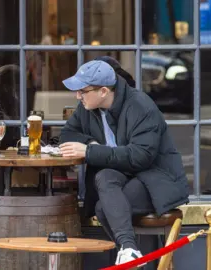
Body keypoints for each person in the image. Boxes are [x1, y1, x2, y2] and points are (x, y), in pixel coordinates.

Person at [59, 60, 189, 265]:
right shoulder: (87, 106)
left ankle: (130, 252)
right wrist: (90, 142)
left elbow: (140, 157)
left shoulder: (141, 106)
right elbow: (67, 134)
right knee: (104, 177)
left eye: (82, 91)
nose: (78, 96)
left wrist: (91, 151)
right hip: (122, 175)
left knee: (103, 209)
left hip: (154, 178)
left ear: (103, 91)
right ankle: (130, 251)